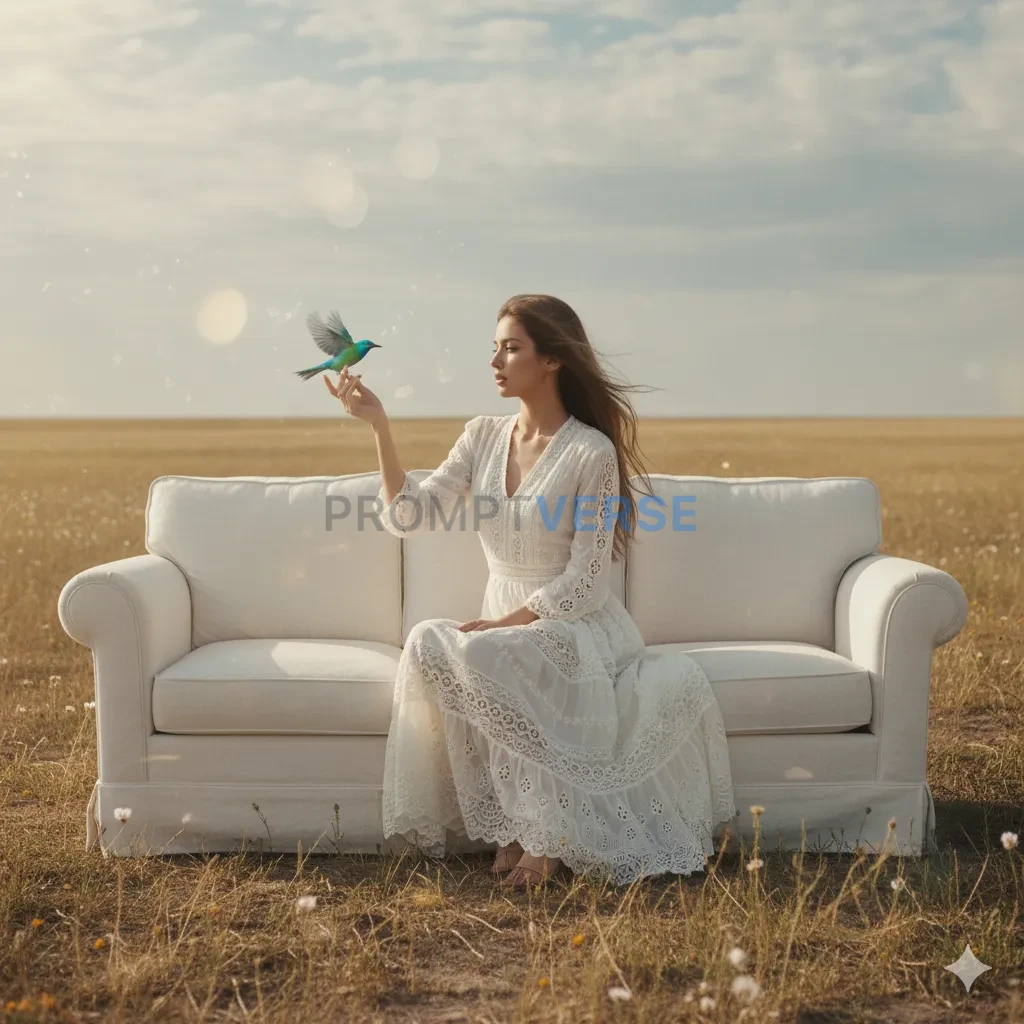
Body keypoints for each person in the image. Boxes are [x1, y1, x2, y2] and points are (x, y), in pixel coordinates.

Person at [324, 293, 737, 888]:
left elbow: (586, 581)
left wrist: (509, 623)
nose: (495, 361)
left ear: (552, 360)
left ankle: (549, 836)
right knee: (428, 642)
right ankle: (519, 827)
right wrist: (379, 426)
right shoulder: (481, 437)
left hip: (574, 627)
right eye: (495, 348)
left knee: (500, 652)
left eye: (511, 348)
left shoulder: (591, 452)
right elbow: (410, 516)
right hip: (503, 625)